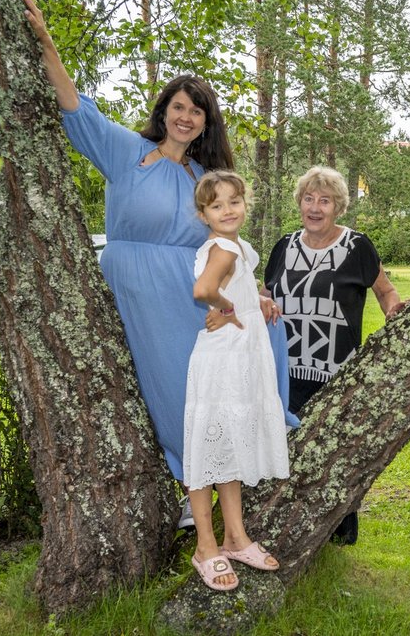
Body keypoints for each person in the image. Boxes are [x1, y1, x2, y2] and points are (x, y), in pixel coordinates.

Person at [20, 0, 297, 528]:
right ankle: (192, 475)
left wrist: (254, 293)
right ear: (164, 111)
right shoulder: (126, 152)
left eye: (196, 111)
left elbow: (223, 243)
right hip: (141, 285)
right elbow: (75, 105)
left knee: (259, 337)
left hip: (192, 289)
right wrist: (46, 41)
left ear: (205, 122)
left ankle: (246, 455)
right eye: (178, 107)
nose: (186, 117)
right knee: (173, 382)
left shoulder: (203, 178)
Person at [262, 166, 404, 545]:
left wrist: (393, 309)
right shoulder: (283, 248)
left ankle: (339, 534)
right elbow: (265, 295)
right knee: (286, 451)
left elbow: (386, 291)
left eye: (324, 200)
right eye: (308, 198)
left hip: (337, 372)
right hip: (285, 372)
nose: (315, 207)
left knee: (338, 455)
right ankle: (286, 529)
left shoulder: (356, 248)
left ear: (338, 207)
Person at [184, 171, 290, 591]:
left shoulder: (237, 247)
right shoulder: (224, 247)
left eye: (234, 201)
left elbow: (234, 286)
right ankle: (205, 546)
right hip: (223, 361)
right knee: (206, 449)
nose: (228, 210)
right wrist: (226, 308)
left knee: (227, 447)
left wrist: (255, 301)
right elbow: (203, 290)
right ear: (203, 213)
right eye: (217, 205)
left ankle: (235, 537)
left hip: (238, 357)